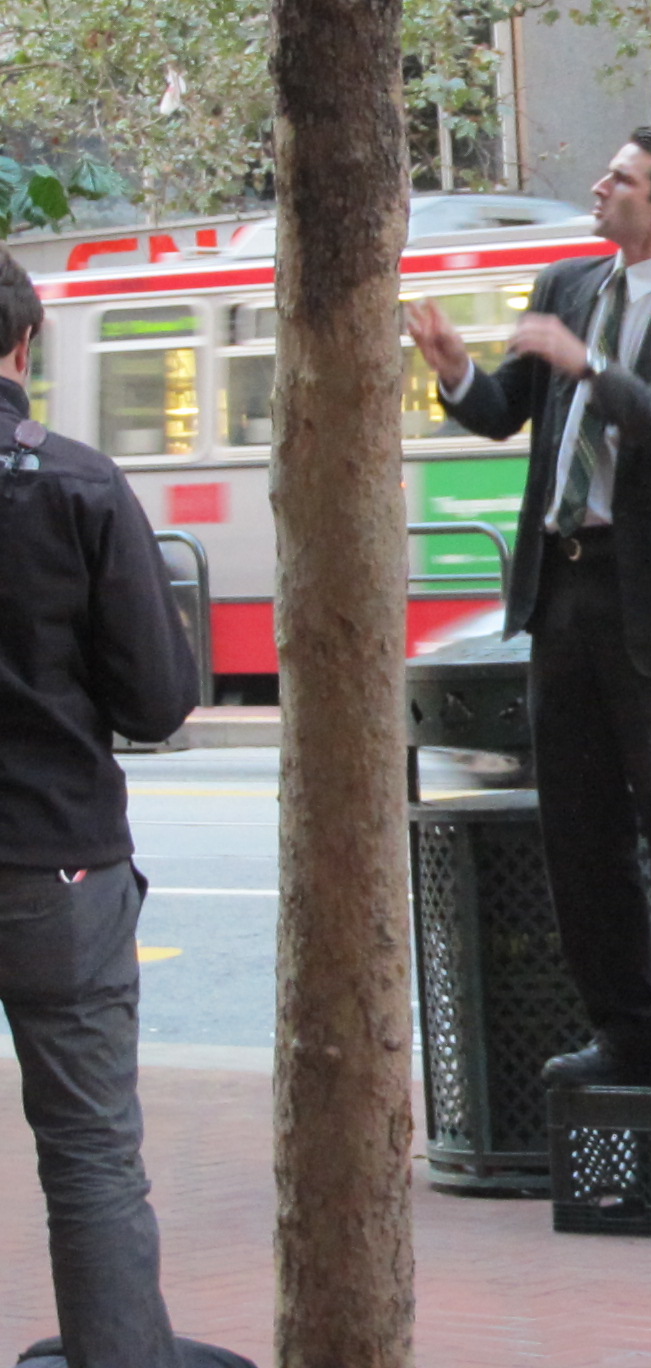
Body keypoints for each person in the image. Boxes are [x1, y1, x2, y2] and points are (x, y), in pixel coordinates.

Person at [406, 127, 651, 1092]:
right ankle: (624, 1025)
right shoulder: (566, 286)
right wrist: (455, 370)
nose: (599, 186)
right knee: (579, 825)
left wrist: (590, 369)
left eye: (621, 177)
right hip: (561, 588)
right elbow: (503, 410)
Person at [0, 247, 198, 1367]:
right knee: (89, 1161)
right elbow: (159, 699)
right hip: (53, 866)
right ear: (24, 346)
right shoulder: (75, 483)